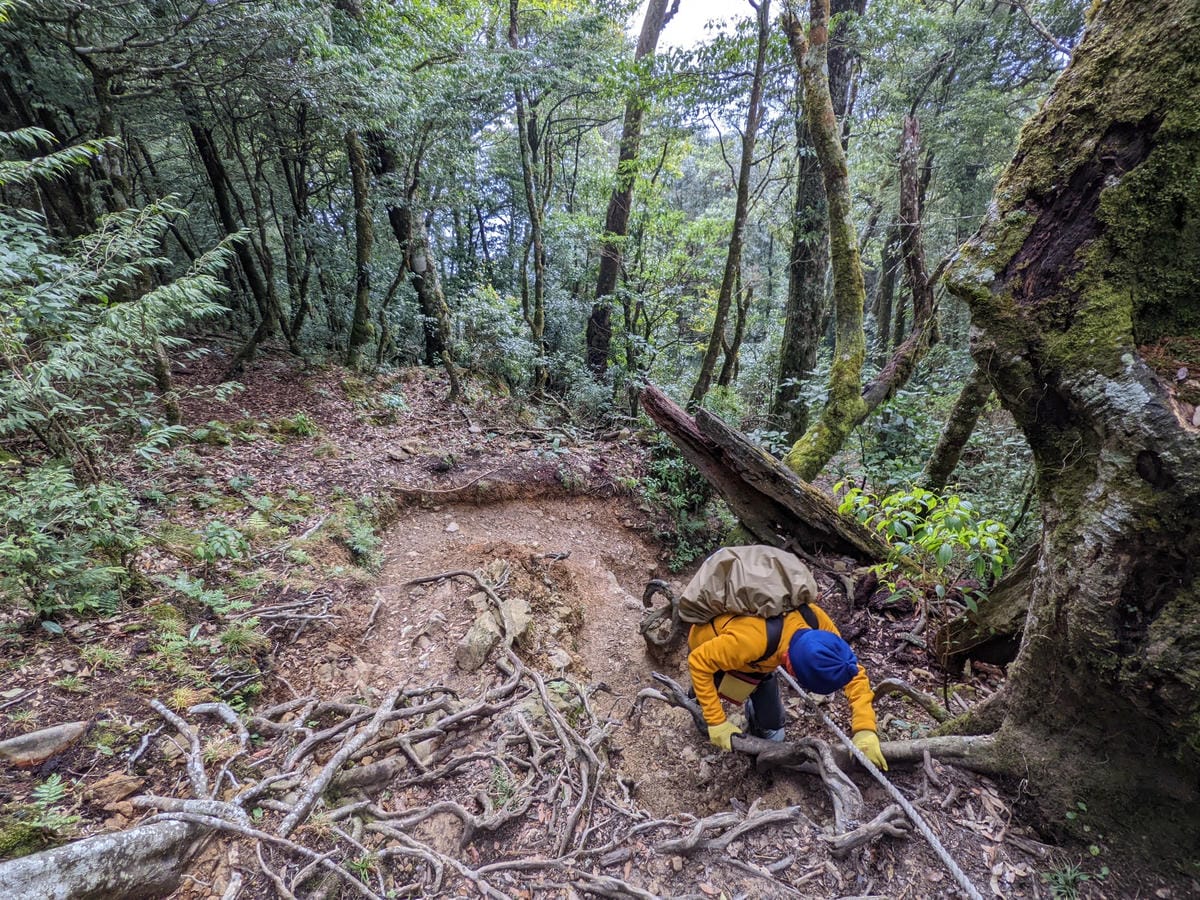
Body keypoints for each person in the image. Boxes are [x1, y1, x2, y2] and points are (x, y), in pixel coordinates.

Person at [684, 547, 887, 769]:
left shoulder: (815, 620)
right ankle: (697, 699)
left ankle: (757, 721)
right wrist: (716, 721)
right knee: (714, 687)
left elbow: (852, 672)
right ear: (789, 666)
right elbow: (699, 661)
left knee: (773, 727)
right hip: (710, 644)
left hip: (758, 660)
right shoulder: (752, 640)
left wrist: (865, 728)